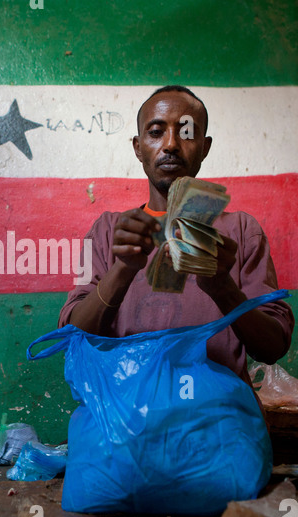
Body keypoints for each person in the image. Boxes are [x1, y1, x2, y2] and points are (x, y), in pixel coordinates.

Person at [58, 85, 294, 406]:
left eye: (186, 131)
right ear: (138, 148)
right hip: (128, 416)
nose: (170, 144)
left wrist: (222, 286)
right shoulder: (109, 231)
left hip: (216, 418)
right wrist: (123, 269)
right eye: (156, 132)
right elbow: (73, 339)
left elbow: (272, 347)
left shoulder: (240, 231)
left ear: (204, 147)